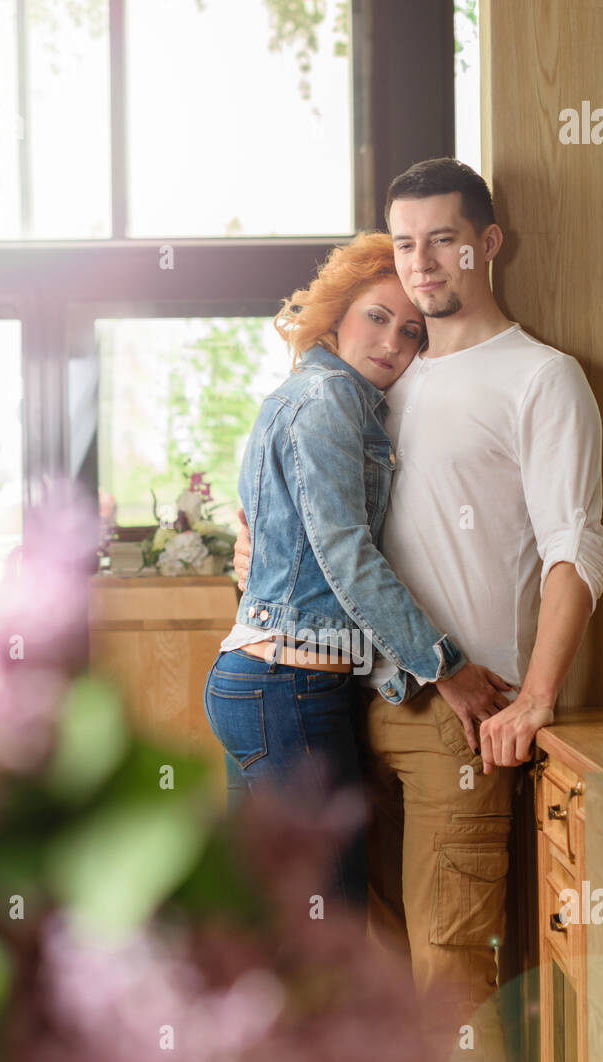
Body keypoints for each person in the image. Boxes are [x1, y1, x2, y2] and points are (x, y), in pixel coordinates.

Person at [235, 158, 603, 1062]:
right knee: (393, 966)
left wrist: (537, 696)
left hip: (466, 714)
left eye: (445, 240)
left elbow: (574, 548)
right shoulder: (381, 373)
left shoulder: (541, 378)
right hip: (356, 708)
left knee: (451, 965)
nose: (424, 264)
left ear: (489, 243)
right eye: (405, 245)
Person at [203, 231, 512, 911]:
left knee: (267, 910)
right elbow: (346, 555)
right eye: (376, 317)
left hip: (258, 682)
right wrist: (446, 668)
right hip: (288, 686)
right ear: (337, 312)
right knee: (328, 918)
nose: (391, 344)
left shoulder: (300, 395)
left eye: (410, 332)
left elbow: (283, 548)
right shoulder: (329, 401)